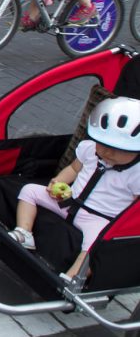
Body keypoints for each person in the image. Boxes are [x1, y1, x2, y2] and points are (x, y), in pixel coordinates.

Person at [10, 96, 140, 280]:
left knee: (95, 248)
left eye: (121, 150)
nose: (108, 152)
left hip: (99, 218)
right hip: (70, 202)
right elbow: (73, 168)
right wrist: (57, 181)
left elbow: (134, 210)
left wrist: (117, 228)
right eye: (103, 145)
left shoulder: (136, 173)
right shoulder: (89, 149)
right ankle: (24, 232)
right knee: (29, 190)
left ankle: (72, 278)